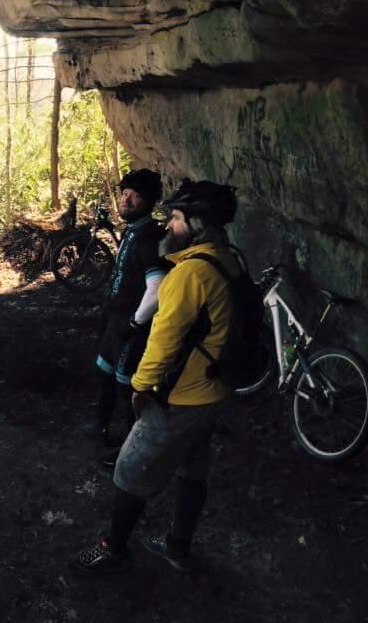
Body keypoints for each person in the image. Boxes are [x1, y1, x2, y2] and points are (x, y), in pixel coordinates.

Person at [72, 179, 239, 576]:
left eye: (177, 218)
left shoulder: (189, 274)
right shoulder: (228, 260)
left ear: (197, 225)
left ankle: (113, 549)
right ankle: (178, 546)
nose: (169, 227)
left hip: (180, 397)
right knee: (192, 468)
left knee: (129, 471)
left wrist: (140, 388)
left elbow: (164, 342)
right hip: (214, 390)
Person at [82, 169, 166, 468]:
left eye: (135, 195)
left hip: (132, 326)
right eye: (125, 192)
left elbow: (156, 289)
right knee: (103, 371)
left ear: (149, 202)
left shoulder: (150, 238)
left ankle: (132, 450)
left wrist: (135, 323)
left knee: (128, 386)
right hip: (116, 319)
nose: (126, 199)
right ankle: (101, 426)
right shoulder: (133, 229)